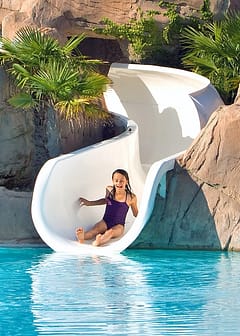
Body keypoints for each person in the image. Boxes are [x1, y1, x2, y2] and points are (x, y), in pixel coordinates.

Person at [76, 169, 138, 247]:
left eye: (121, 181)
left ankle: (99, 241)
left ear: (127, 181)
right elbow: (105, 201)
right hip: (105, 221)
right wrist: (89, 203)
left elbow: (136, 214)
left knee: (110, 232)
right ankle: (82, 237)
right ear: (113, 181)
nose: (119, 183)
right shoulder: (110, 190)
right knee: (95, 230)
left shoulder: (131, 197)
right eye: (116, 180)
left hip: (119, 225)